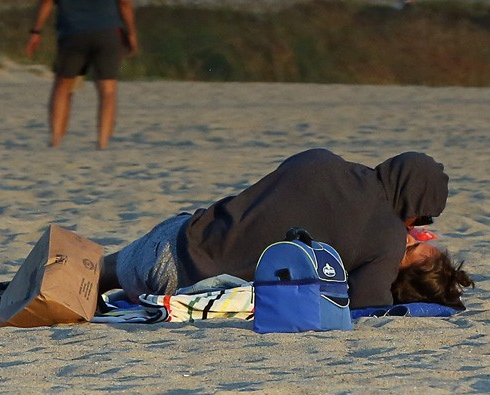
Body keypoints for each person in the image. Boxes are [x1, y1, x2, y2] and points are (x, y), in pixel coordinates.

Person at [100, 148, 474, 309]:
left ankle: (100, 270)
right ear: (413, 201)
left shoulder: (320, 160)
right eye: (422, 219)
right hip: (183, 287)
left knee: (117, 262)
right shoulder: (387, 237)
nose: (416, 228)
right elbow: (368, 302)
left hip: (166, 246)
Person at [25, 0, 138, 149]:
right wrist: (131, 32)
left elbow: (46, 2)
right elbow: (124, 3)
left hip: (72, 33)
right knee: (108, 90)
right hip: (108, 32)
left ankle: (55, 140)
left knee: (63, 86)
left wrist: (36, 31)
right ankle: (102, 142)